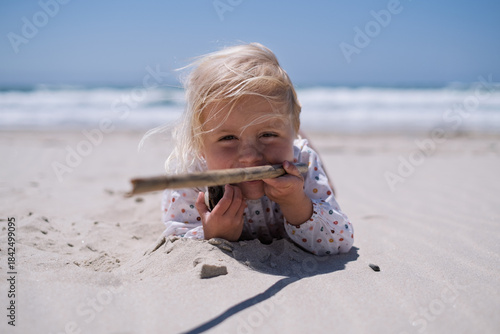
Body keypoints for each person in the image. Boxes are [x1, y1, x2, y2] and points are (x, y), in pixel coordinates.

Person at [160, 43, 353, 256]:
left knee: (328, 189)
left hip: (295, 149)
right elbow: (176, 240)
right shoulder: (193, 175)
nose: (250, 157)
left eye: (267, 135)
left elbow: (339, 242)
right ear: (200, 147)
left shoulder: (303, 161)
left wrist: (297, 204)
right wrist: (211, 233)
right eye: (228, 138)